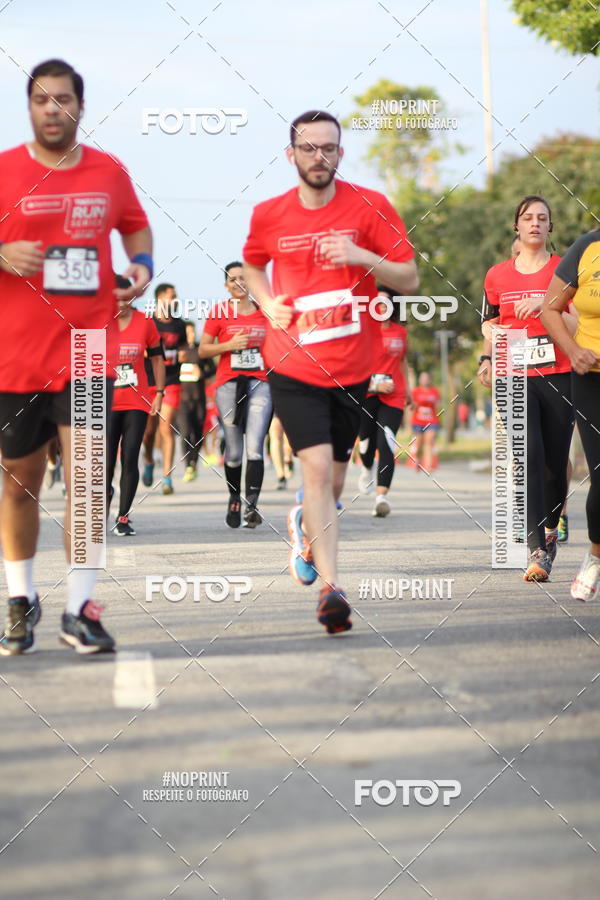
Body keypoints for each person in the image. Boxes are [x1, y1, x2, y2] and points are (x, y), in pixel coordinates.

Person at [243, 109, 418, 634]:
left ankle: (304, 522)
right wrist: (268, 301)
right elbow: (252, 263)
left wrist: (361, 254)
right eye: (309, 148)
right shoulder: (269, 213)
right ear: (290, 154)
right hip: (293, 362)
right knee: (316, 471)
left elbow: (408, 276)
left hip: (353, 367)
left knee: (335, 480)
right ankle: (332, 590)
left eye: (329, 148)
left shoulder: (371, 206)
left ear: (341, 153)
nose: (319, 157)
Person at [0, 59, 152, 655]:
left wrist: (140, 269)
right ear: (30, 107)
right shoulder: (6, 170)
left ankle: (78, 610)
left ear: (80, 107)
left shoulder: (108, 172)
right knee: (19, 484)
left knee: (88, 482)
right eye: (42, 100)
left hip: (86, 346)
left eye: (63, 100)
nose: (53, 110)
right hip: (13, 354)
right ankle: (19, 599)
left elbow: (136, 229)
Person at [478, 195, 576, 582]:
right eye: (527, 217)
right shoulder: (496, 275)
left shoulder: (565, 271)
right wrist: (486, 357)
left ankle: (551, 529)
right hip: (513, 376)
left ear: (550, 227)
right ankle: (536, 549)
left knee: (555, 463)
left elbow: (578, 327)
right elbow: (488, 323)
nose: (535, 223)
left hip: (559, 373)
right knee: (528, 456)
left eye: (543, 218)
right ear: (516, 226)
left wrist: (546, 304)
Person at [540, 229, 600, 600]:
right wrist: (573, 350)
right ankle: (595, 555)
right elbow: (550, 309)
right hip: (593, 376)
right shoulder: (587, 247)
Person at [199, 262, 272, 528]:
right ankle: (234, 498)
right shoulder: (218, 312)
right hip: (228, 384)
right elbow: (203, 350)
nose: (238, 283)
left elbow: (281, 343)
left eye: (243, 278)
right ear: (226, 285)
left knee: (255, 444)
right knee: (233, 450)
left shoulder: (265, 312)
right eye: (233, 279)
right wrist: (230, 345)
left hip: (260, 382)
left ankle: (252, 505)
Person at [107, 275, 165, 536]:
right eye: (115, 297)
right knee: (105, 462)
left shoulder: (145, 322)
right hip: (104, 402)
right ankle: (101, 511)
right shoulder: (98, 323)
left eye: (125, 296)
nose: (120, 302)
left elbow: (157, 359)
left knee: (130, 456)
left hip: (136, 401)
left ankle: (123, 517)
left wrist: (160, 392)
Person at [357, 284, 411, 516]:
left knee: (386, 442)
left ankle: (381, 497)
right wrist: (374, 385)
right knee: (366, 443)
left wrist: (407, 388)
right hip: (367, 393)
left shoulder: (400, 332)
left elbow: (403, 361)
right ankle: (366, 468)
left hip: (394, 395)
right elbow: (354, 365)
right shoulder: (363, 332)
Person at [141, 282, 187, 494]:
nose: (176, 300)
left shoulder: (179, 325)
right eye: (172, 296)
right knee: (148, 432)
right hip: (149, 381)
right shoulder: (148, 323)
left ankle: (167, 477)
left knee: (166, 428)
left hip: (172, 381)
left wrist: (185, 354)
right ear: (160, 299)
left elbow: (185, 348)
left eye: (176, 296)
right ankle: (149, 459)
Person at [178, 321, 216, 481]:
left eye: (193, 332)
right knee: (185, 433)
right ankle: (188, 464)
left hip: (198, 397)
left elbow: (213, 369)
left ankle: (194, 462)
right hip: (183, 399)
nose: (191, 335)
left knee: (198, 432)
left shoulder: (201, 350)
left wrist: (203, 374)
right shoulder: (179, 350)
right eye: (188, 332)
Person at [409, 373, 441, 473]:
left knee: (429, 441)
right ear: (419, 380)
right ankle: (418, 461)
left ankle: (428, 465)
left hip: (431, 421)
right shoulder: (415, 391)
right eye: (422, 378)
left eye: (426, 378)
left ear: (429, 380)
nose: (424, 380)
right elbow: (410, 406)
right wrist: (415, 404)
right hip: (418, 421)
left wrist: (432, 402)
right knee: (419, 443)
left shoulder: (434, 391)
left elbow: (438, 402)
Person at [269, 416, 294, 489]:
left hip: (294, 406)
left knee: (289, 435)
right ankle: (281, 476)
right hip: (275, 406)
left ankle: (288, 457)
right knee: (275, 433)